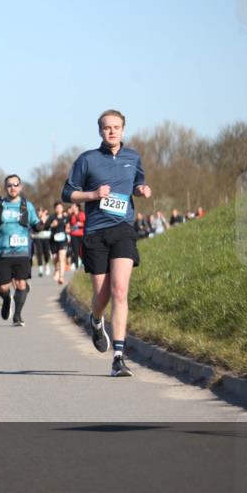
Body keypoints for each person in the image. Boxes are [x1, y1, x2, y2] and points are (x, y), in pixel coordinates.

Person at [62, 109, 152, 377]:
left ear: (123, 129)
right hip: (95, 233)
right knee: (102, 297)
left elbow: (138, 181)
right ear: (99, 131)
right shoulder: (87, 160)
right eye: (106, 128)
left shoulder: (133, 157)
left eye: (116, 127)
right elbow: (67, 193)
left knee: (120, 290)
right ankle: (96, 318)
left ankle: (119, 357)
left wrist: (141, 189)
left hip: (123, 228)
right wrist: (92, 194)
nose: (111, 131)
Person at [0, 174, 45, 327]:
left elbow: (37, 225)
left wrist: (42, 222)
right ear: (5, 188)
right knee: (3, 287)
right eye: (9, 185)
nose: (13, 188)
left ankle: (17, 315)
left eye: (16, 185)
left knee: (21, 284)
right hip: (2, 252)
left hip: (22, 251)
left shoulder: (26, 205)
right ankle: (6, 299)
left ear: (20, 187)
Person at [46, 202, 71, 285]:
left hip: (63, 240)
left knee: (61, 257)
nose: (59, 209)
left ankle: (61, 277)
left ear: (62, 208)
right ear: (55, 209)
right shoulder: (51, 217)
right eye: (57, 207)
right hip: (53, 240)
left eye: (60, 207)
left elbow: (68, 226)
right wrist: (52, 225)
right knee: (55, 258)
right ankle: (56, 269)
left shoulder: (65, 217)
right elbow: (46, 227)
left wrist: (68, 229)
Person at [68, 202, 86, 269]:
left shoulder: (82, 214)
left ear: (77, 207)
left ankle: (84, 263)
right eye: (71, 206)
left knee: (82, 250)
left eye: (73, 206)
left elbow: (86, 224)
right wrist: (69, 229)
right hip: (73, 234)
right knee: (75, 250)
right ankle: (76, 265)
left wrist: (81, 224)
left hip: (81, 234)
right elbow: (69, 225)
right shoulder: (71, 216)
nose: (72, 208)